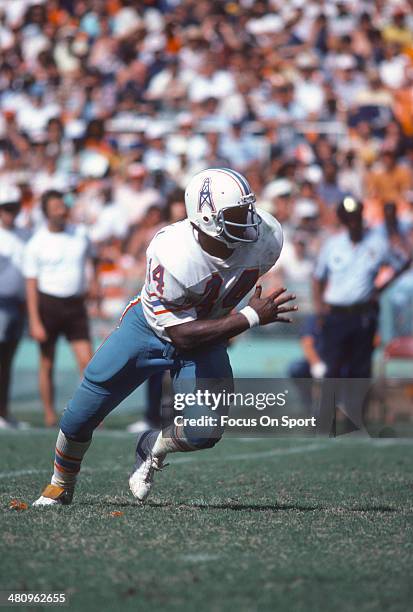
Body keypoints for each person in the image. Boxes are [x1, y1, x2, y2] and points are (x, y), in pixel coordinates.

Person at [32, 168, 297, 506]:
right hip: (150, 330)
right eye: (236, 214)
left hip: (206, 332)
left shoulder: (268, 236)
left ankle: (152, 446)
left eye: (248, 209)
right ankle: (60, 483)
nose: (249, 220)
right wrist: (249, 317)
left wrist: (232, 319)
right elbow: (181, 334)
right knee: (80, 416)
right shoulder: (173, 252)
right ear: (206, 218)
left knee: (206, 431)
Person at [313, 196, 411, 432]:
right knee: (333, 368)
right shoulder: (333, 245)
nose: (354, 222)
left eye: (356, 217)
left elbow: (403, 262)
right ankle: (327, 421)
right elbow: (318, 278)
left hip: (363, 315)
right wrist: (319, 309)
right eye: (349, 219)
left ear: (361, 217)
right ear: (344, 221)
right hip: (336, 314)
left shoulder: (377, 244)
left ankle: (356, 421)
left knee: (360, 369)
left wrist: (379, 289)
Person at [23, 190, 98, 427]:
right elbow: (31, 283)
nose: (61, 210)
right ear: (46, 212)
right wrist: (34, 320)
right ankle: (49, 413)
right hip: (48, 305)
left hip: (75, 305)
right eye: (55, 206)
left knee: (88, 362)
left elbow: (92, 258)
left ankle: (92, 414)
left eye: (62, 205)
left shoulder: (81, 234)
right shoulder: (36, 242)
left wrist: (94, 282)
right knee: (47, 362)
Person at [0, 185, 29, 429]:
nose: (11, 213)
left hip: (18, 305)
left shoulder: (23, 235)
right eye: (7, 208)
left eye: (14, 208)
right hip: (1, 303)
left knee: (7, 360)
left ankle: (4, 412)